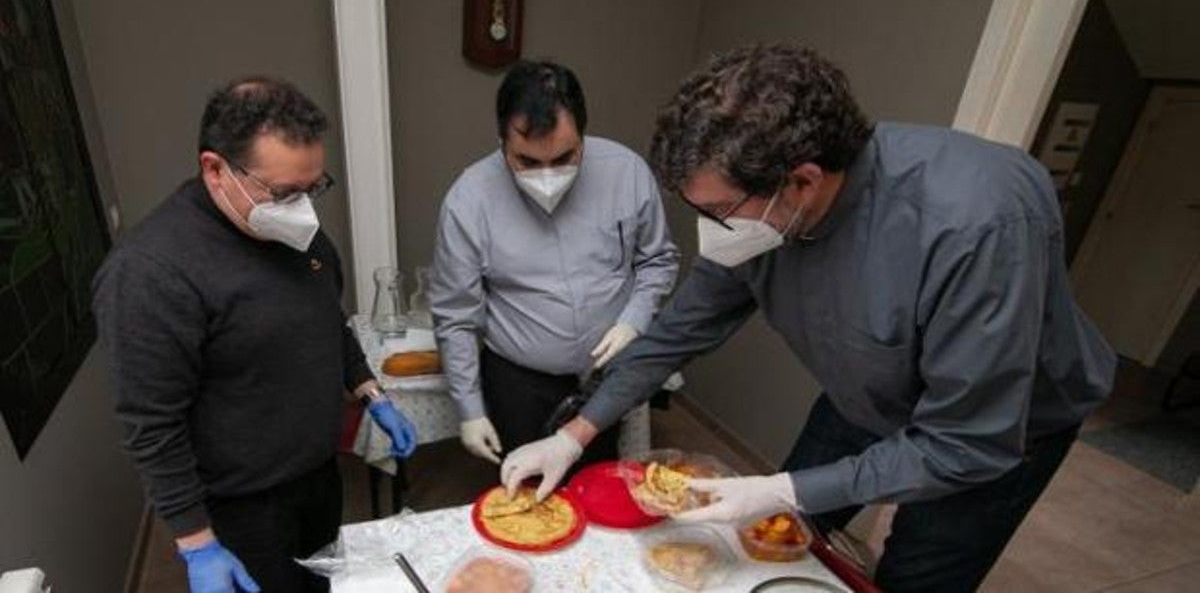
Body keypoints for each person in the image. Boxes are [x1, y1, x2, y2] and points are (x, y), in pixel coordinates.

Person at [500, 44, 1115, 591]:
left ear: (801, 182)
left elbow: (964, 442)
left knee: (914, 571)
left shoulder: (978, 222)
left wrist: (783, 487)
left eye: (716, 211)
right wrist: (573, 434)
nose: (708, 229)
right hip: (864, 394)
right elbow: (676, 334)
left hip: (995, 433)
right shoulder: (757, 217)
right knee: (777, 537)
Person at [93, 77, 418, 593]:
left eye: (314, 188)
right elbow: (152, 427)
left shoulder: (289, 228)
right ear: (215, 169)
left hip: (317, 477)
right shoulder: (149, 274)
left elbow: (325, 320)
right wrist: (197, 545)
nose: (304, 208)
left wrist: (369, 391)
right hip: (242, 508)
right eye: (286, 192)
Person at [430, 60, 679, 475]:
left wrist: (634, 320)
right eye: (526, 162)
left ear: (583, 135)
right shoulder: (468, 200)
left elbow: (658, 259)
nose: (547, 176)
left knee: (598, 486)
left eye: (565, 157)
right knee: (525, 501)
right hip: (519, 381)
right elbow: (456, 315)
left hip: (605, 375)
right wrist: (470, 409)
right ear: (501, 141)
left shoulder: (627, 172)